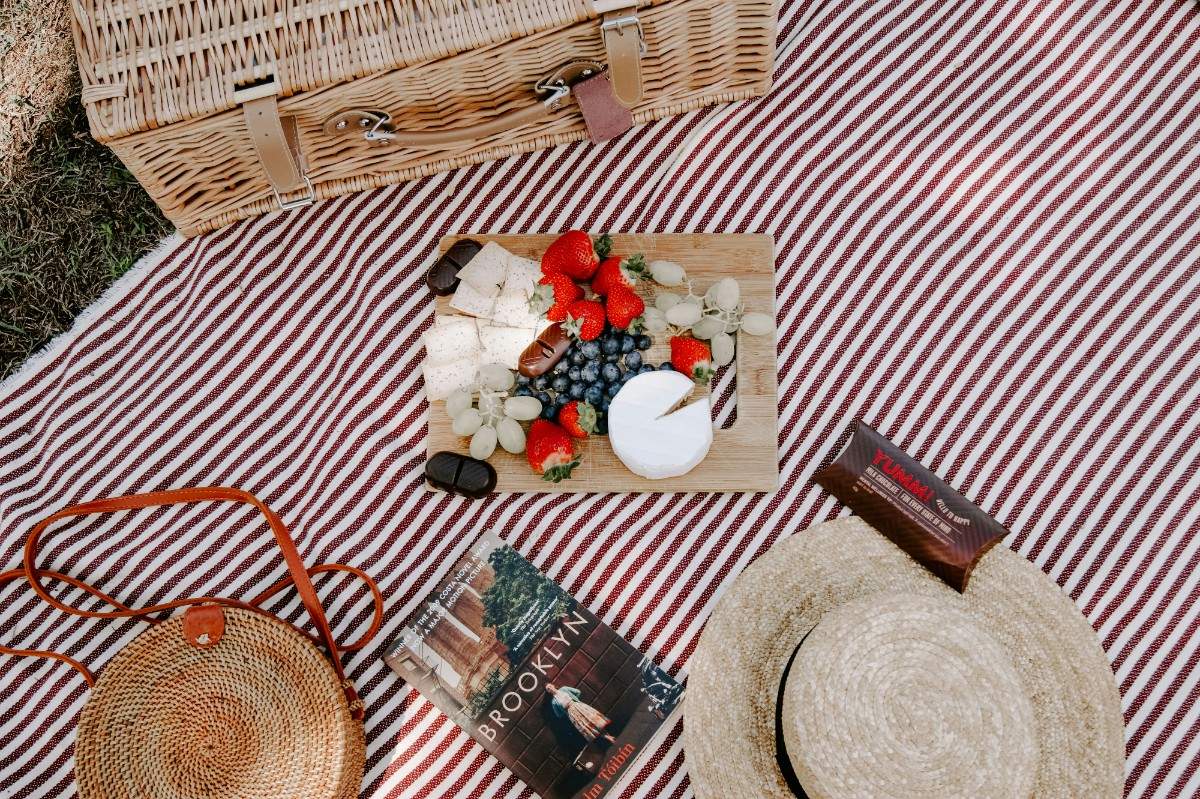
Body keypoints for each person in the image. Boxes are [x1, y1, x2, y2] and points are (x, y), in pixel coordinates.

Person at [546, 683, 616, 744]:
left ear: (553, 685)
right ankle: (608, 737)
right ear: (548, 692)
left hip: (578, 706)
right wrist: (566, 711)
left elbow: (577, 692)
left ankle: (608, 735)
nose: (550, 688)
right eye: (548, 689)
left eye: (550, 686)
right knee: (588, 727)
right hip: (572, 713)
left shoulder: (564, 689)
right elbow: (558, 714)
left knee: (594, 721)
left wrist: (576, 701)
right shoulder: (554, 702)